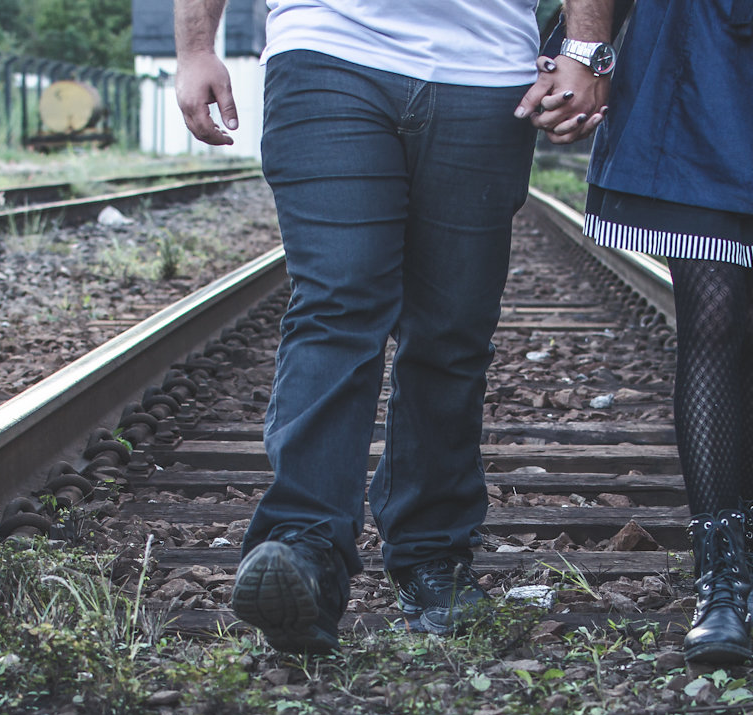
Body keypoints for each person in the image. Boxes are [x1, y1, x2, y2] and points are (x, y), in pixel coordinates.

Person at [520, 0, 753, 664]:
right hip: (687, 59)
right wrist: (585, 51)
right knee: (714, 319)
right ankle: (719, 581)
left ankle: (747, 560)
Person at [174, 0, 554, 653]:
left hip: (488, 67)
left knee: (452, 330)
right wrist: (195, 45)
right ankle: (305, 548)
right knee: (336, 303)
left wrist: (586, 45)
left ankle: (433, 556)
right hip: (327, 44)